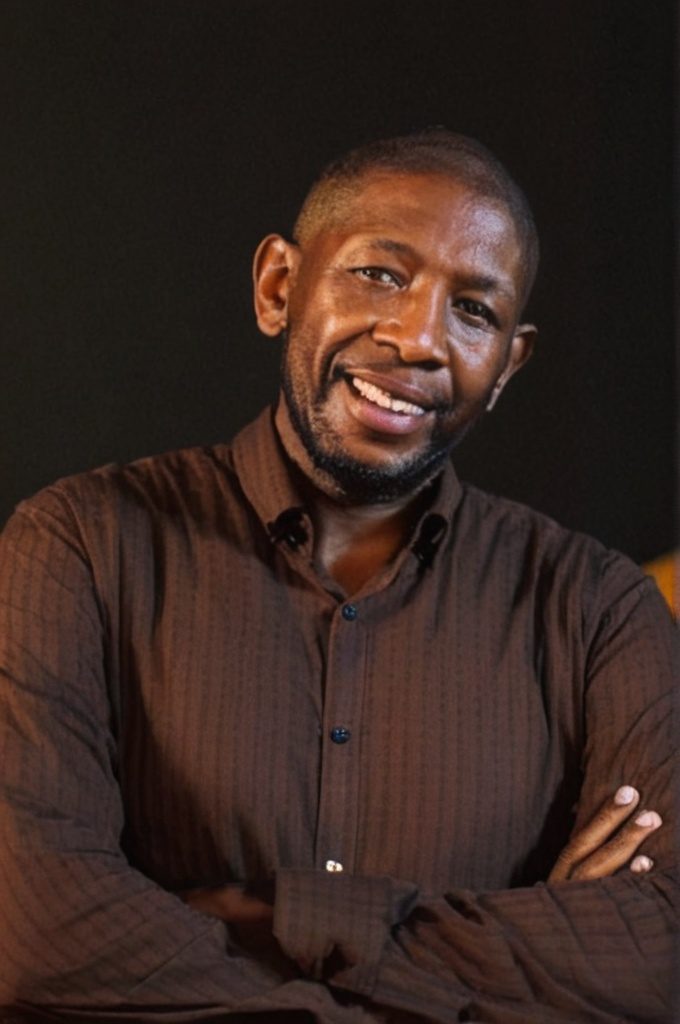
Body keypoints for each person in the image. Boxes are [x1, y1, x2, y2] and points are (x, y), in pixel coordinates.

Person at [0, 130, 676, 1023]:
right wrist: (511, 957)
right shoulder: (78, 547)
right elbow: (33, 933)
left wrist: (270, 914)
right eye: (380, 275)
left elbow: (663, 947)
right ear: (279, 287)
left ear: (507, 365)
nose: (418, 338)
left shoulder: (600, 612)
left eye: (474, 311)